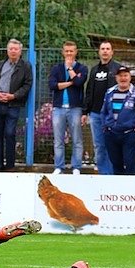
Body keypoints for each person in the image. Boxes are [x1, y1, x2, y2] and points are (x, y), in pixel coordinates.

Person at [0, 39, 33, 172]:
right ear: (7, 50)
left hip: (13, 105)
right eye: (11, 49)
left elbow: (27, 85)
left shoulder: (26, 67)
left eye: (16, 49)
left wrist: (14, 96)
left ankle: (10, 165)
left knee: (10, 133)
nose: (13, 51)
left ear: (20, 51)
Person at [48, 41, 87, 175]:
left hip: (75, 108)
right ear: (63, 52)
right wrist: (71, 82)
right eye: (67, 51)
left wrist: (70, 69)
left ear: (76, 52)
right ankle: (59, 167)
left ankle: (76, 167)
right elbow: (52, 85)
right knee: (58, 139)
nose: (69, 53)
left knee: (77, 139)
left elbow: (79, 82)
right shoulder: (56, 68)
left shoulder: (82, 68)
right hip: (58, 108)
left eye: (71, 51)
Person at [82, 41, 120, 175]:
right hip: (95, 114)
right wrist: (85, 111)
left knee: (111, 145)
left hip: (111, 115)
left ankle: (112, 173)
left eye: (107, 49)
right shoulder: (94, 70)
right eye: (102, 49)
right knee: (99, 145)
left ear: (112, 52)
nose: (105, 51)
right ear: (99, 52)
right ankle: (104, 173)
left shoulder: (117, 69)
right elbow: (89, 91)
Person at [100, 65, 135, 175]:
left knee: (130, 162)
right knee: (116, 163)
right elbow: (103, 112)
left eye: (125, 75)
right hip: (111, 133)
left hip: (129, 134)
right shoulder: (109, 92)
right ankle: (118, 188)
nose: (123, 78)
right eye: (120, 76)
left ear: (130, 77)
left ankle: (131, 189)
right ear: (116, 78)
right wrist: (104, 127)